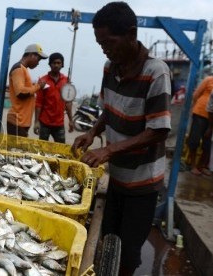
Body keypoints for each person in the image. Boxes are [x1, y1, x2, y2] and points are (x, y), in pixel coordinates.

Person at [71, 2, 171, 275]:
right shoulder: (109, 67)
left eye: (109, 42)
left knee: (128, 252)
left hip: (142, 184)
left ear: (131, 33)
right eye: (100, 43)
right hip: (114, 177)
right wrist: (92, 132)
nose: (105, 48)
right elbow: (109, 110)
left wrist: (110, 150)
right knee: (107, 237)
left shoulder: (156, 72)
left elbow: (159, 130)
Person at [6, 44, 47, 137]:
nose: (38, 63)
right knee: (17, 150)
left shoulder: (23, 69)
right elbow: (20, 92)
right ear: (32, 55)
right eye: (38, 59)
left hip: (21, 122)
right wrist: (38, 86)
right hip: (17, 121)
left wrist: (35, 86)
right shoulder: (19, 69)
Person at [34, 52, 73, 143]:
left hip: (59, 124)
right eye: (54, 63)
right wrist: (36, 122)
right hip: (44, 123)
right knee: (42, 150)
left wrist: (71, 121)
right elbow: (38, 103)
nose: (56, 65)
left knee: (61, 151)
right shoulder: (43, 81)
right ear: (50, 64)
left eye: (58, 63)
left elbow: (68, 102)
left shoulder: (66, 81)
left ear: (62, 65)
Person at [186, 75, 213, 176]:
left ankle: (201, 166)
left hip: (212, 119)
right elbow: (196, 95)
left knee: (207, 143)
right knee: (195, 139)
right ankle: (193, 166)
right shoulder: (208, 79)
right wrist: (194, 108)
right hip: (200, 114)